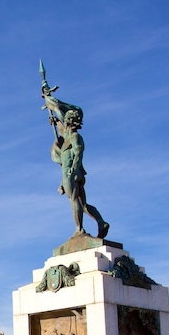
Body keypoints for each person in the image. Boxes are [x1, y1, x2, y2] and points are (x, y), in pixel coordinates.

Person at [43, 80, 110, 239]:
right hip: (74, 172)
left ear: (69, 121)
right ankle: (100, 222)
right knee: (83, 205)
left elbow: (78, 153)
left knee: (74, 201)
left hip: (72, 172)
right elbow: (58, 119)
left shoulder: (74, 137)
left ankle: (79, 230)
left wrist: (72, 170)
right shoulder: (67, 137)